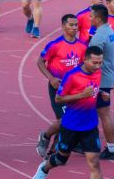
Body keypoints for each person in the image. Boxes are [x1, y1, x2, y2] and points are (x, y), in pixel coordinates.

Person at [31, 46, 105, 179]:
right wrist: (81, 95)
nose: (98, 66)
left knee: (94, 163)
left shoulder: (98, 74)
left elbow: (93, 89)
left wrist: (100, 94)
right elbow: (59, 98)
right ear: (85, 60)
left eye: (100, 63)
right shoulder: (72, 76)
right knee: (60, 159)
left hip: (90, 126)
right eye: (95, 62)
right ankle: (44, 169)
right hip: (71, 126)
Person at [35, 14, 88, 157]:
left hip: (75, 89)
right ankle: (45, 136)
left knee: (72, 118)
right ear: (63, 26)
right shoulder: (55, 45)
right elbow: (40, 62)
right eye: (71, 25)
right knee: (64, 119)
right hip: (58, 88)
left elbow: (83, 67)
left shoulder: (83, 46)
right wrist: (51, 78)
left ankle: (54, 149)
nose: (74, 28)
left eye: (76, 25)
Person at [87, 4, 114, 161]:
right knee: (99, 113)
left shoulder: (99, 36)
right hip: (108, 77)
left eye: (91, 16)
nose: (89, 18)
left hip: (100, 80)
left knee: (104, 114)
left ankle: (111, 149)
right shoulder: (110, 31)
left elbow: (92, 61)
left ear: (98, 18)